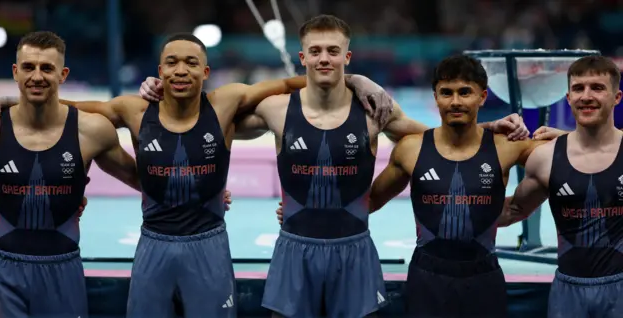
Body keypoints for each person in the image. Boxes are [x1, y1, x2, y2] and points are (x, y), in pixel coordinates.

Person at [139, 16, 528, 318]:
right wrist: (157, 93)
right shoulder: (274, 111)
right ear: (302, 57)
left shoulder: (374, 110)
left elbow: (438, 138)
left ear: (347, 57)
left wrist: (484, 128)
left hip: (354, 248)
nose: (324, 57)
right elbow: (200, 125)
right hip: (294, 248)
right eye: (316, 50)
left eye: (333, 50)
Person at [0, 32, 394, 317]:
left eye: (191, 63)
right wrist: (7, 98)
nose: (181, 70)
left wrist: (355, 79)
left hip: (208, 246)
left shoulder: (227, 101)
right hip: (154, 246)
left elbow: (292, 82)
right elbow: (70, 105)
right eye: (172, 63)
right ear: (159, 71)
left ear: (206, 71)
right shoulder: (134, 109)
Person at [273, 53, 546, 317]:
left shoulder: (510, 148)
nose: (455, 102)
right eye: (447, 93)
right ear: (435, 98)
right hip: (427, 279)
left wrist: (559, 134)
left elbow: (572, 159)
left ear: (482, 96)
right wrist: (309, 214)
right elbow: (367, 202)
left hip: (484, 278)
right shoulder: (410, 150)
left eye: (465, 92)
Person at [0, 31, 140, 318]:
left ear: (63, 74)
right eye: (29, 68)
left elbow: (144, 180)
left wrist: (206, 192)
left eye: (47, 68)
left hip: (62, 270)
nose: (37, 76)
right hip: (4, 272)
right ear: (16, 72)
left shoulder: (91, 131)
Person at [498, 55, 623, 318]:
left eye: (597, 88)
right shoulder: (546, 158)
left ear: (617, 97)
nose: (586, 96)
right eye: (578, 88)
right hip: (568, 293)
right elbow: (512, 212)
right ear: (568, 98)